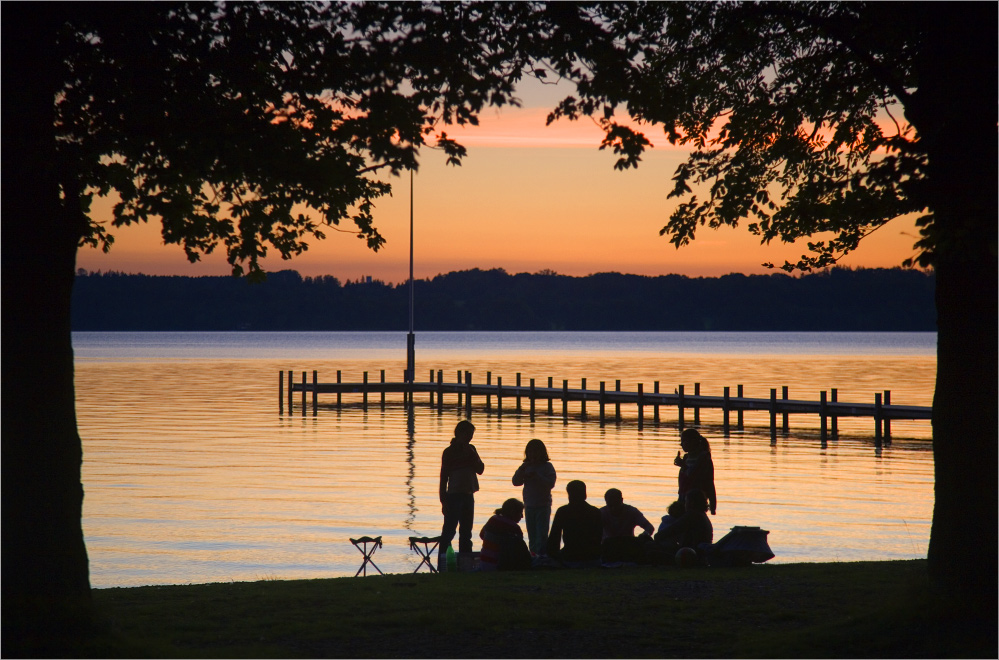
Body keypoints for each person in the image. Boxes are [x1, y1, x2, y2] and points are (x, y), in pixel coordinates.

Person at [438, 419, 484, 570]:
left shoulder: (471, 449)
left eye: (471, 435)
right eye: (467, 434)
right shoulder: (449, 452)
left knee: (466, 533)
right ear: (459, 434)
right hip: (453, 496)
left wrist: (471, 453)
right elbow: (443, 477)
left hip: (468, 494)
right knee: (449, 531)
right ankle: (443, 563)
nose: (469, 437)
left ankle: (466, 564)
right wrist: (443, 501)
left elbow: (480, 469)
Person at [512, 438, 557, 557]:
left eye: (535, 452)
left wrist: (537, 476)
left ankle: (542, 556)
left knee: (541, 536)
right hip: (529, 506)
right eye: (530, 452)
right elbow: (516, 482)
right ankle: (533, 556)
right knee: (532, 535)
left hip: (543, 506)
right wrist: (522, 470)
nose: (533, 455)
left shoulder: (547, 467)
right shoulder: (525, 466)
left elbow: (550, 484)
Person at [546, 479, 603, 568]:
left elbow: (554, 538)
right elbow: (599, 536)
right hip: (593, 559)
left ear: (569, 495)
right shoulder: (595, 511)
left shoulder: (563, 511)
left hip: (571, 559)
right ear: (585, 494)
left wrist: (553, 555)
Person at [654, 489, 714, 561]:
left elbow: (671, 530)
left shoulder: (691, 516)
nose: (684, 505)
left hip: (690, 554)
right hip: (698, 552)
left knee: (650, 548)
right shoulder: (701, 515)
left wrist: (657, 537)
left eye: (686, 502)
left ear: (692, 503)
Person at [600, 488, 655, 564]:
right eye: (610, 506)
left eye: (616, 505)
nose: (614, 509)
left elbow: (649, 528)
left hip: (628, 545)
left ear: (621, 500)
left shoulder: (632, 512)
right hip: (609, 545)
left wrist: (642, 536)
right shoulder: (601, 513)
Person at [479, 498, 532, 571]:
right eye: (520, 513)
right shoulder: (514, 528)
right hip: (499, 565)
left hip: (484, 563)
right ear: (513, 512)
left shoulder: (493, 519)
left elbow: (482, 535)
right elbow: (520, 549)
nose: (522, 516)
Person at [674, 428, 717, 515]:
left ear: (692, 442)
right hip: (683, 499)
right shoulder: (686, 458)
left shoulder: (703, 458)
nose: (681, 444)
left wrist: (713, 505)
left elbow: (699, 478)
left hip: (696, 501)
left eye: (684, 441)